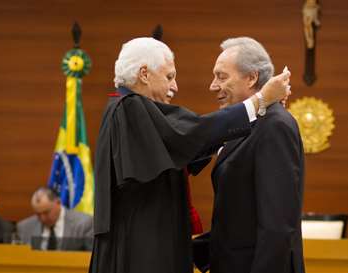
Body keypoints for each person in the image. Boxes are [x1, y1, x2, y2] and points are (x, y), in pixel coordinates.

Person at [89, 37, 291, 273]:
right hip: (137, 257)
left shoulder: (124, 110)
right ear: (144, 74)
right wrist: (260, 101)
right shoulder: (129, 108)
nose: (175, 87)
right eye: (169, 77)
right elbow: (189, 136)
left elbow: (184, 148)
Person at [207, 37, 305, 273]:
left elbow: (277, 226)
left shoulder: (274, 126)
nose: (212, 86)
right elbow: (240, 220)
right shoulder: (248, 124)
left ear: (251, 78)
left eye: (221, 77)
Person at [17, 187, 93, 251]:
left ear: (58, 203)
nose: (42, 218)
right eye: (38, 214)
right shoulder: (24, 227)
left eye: (46, 212)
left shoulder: (84, 224)